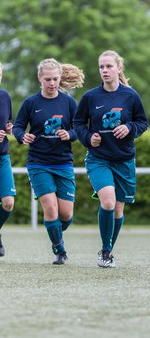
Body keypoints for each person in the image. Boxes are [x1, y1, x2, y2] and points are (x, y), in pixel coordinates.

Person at [73, 50, 148, 268]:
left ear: (118, 68)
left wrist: (130, 127)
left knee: (118, 210)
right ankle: (105, 252)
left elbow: (142, 123)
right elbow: (78, 124)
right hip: (99, 159)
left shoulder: (131, 96)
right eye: (101, 67)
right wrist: (89, 138)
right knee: (108, 201)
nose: (104, 70)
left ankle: (107, 249)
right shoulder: (90, 97)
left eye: (109, 66)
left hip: (124, 160)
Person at [13, 58, 84, 265]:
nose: (52, 83)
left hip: (63, 163)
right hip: (38, 163)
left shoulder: (69, 102)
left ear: (60, 78)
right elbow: (18, 127)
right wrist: (22, 136)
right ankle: (59, 250)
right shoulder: (30, 103)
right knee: (51, 208)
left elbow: (79, 130)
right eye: (47, 79)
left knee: (66, 214)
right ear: (39, 79)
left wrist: (69, 134)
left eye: (55, 79)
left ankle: (53, 232)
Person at [0, 62, 16, 257]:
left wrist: (10, 129)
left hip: (2, 157)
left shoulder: (5, 96)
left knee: (8, 203)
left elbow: (7, 122)